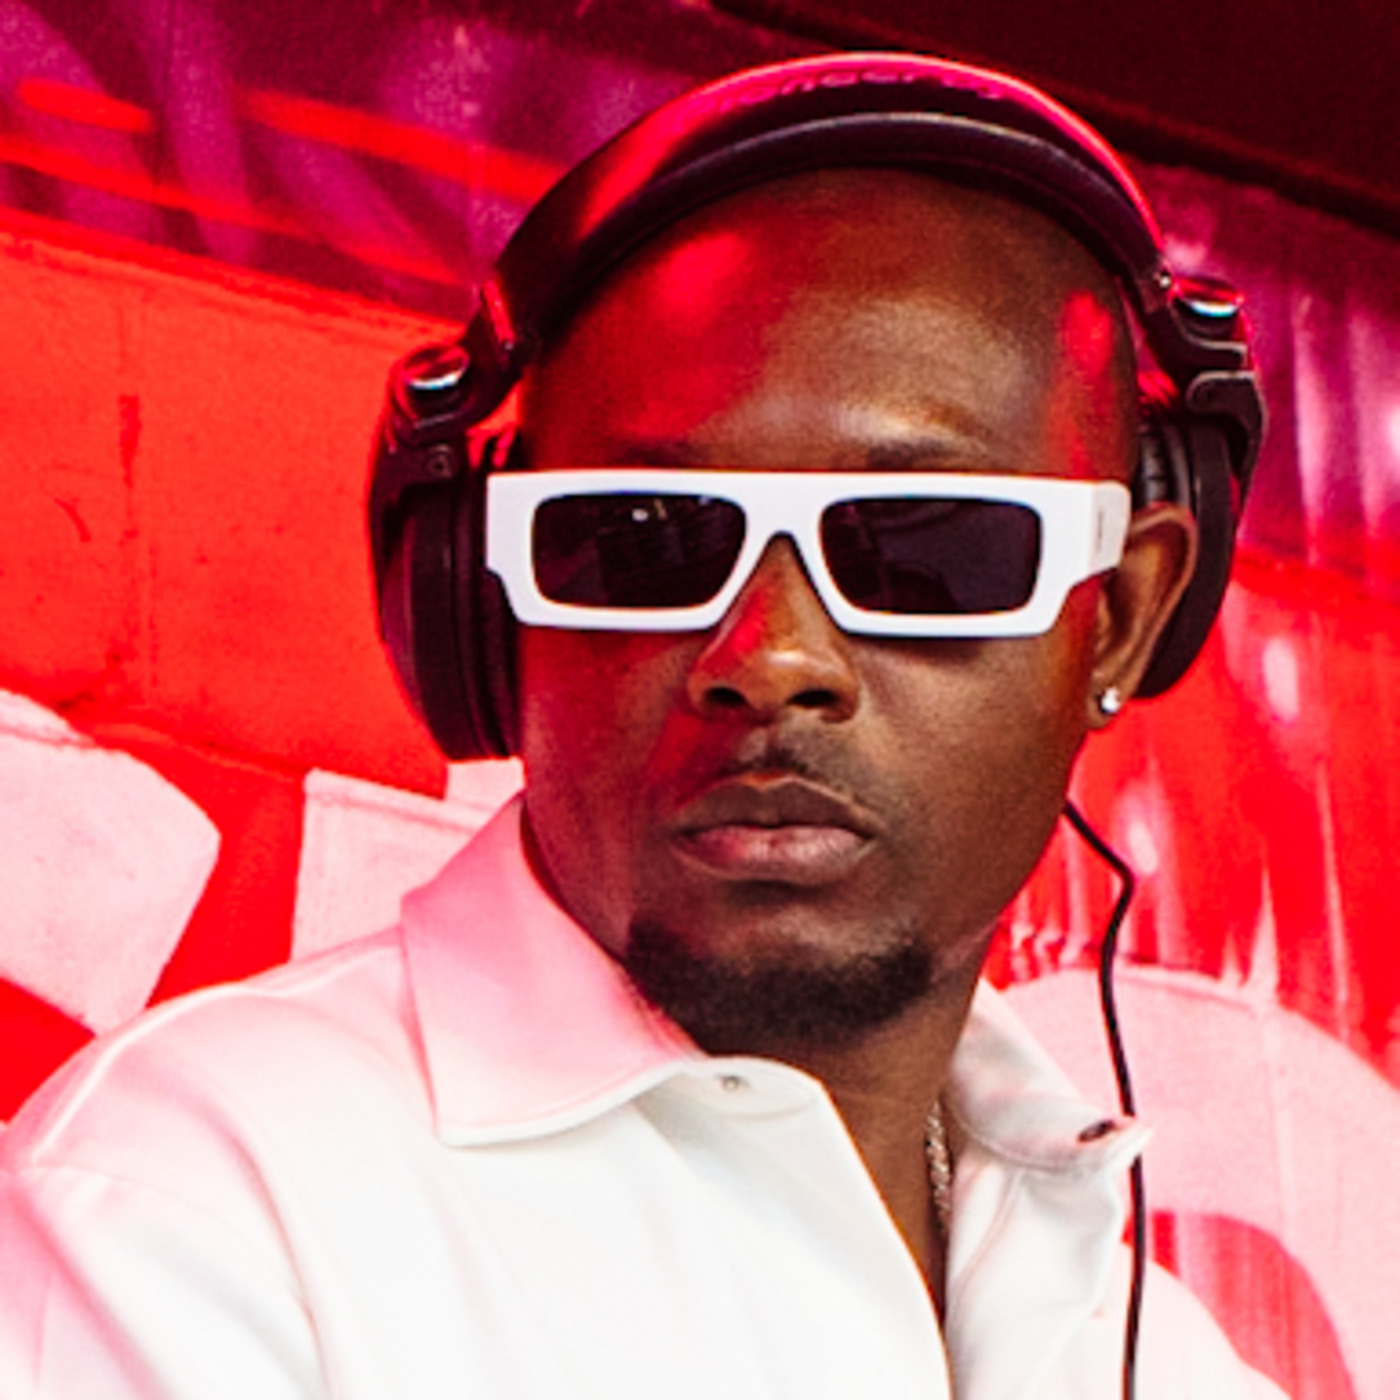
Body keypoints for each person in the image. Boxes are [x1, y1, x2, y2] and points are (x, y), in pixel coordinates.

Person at [0, 53, 1282, 1400]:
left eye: (925, 547)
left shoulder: (1171, 1367)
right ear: (479, 604)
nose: (772, 657)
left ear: (1122, 614)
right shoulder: (197, 1208)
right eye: (645, 541)